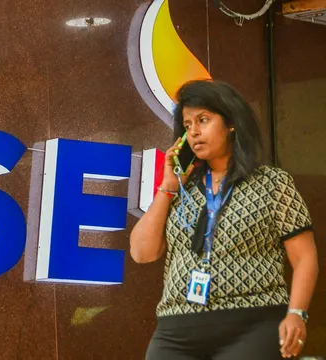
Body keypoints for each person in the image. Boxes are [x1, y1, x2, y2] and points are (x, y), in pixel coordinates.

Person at [130, 79, 318, 360]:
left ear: (230, 123)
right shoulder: (181, 188)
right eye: (188, 124)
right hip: (177, 326)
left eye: (203, 120)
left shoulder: (272, 183)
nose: (194, 132)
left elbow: (305, 257)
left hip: (252, 323)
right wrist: (168, 186)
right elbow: (142, 253)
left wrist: (296, 313)